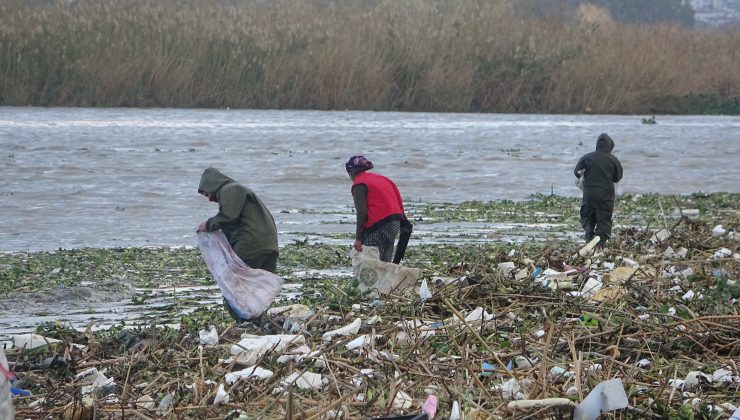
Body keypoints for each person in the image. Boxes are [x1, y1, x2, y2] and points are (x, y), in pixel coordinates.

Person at [197, 167, 279, 273]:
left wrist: (208, 225)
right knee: (263, 285)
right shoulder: (237, 190)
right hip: (269, 245)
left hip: (251, 245)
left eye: (207, 194)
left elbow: (228, 216)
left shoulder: (230, 189)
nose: (209, 199)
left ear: (212, 186)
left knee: (239, 280)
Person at [346, 155, 410, 262]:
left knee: (369, 261)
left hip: (378, 225)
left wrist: (358, 239)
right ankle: (387, 278)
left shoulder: (359, 184)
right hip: (395, 222)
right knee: (385, 259)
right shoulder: (382, 179)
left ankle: (377, 278)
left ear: (351, 173)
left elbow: (362, 212)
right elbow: (398, 201)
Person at [574, 133, 623, 248]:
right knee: (604, 219)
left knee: (588, 216)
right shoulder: (613, 160)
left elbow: (577, 172)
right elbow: (618, 177)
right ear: (610, 147)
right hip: (605, 196)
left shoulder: (586, 158)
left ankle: (589, 238)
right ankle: (600, 244)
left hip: (589, 195)